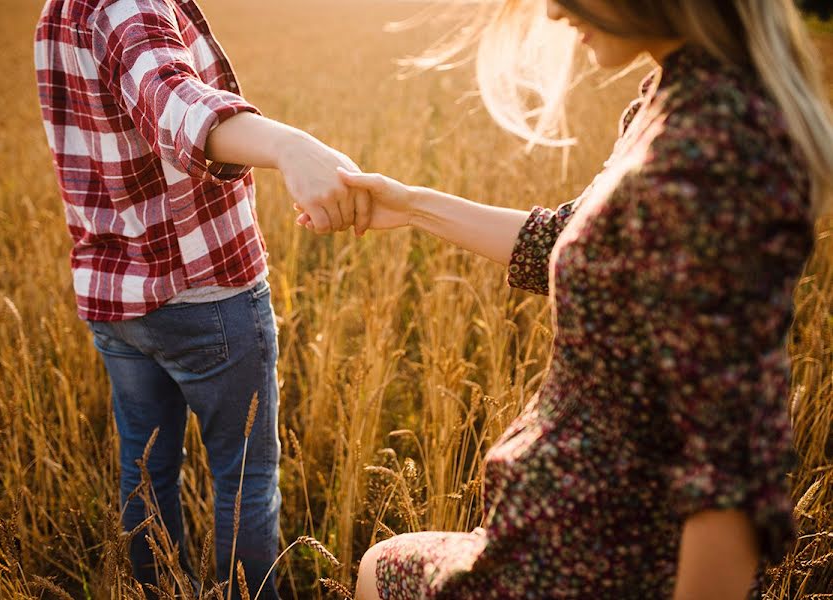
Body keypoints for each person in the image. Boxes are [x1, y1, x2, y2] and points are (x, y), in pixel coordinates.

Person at [298, 0, 833, 598]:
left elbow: (728, 476)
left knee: (383, 571)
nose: (552, 10)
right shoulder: (677, 97)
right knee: (384, 565)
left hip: (595, 565)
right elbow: (574, 239)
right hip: (566, 538)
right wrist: (414, 205)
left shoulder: (712, 156)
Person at [34, 0, 369, 597]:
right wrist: (289, 145)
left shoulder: (60, 10)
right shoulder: (128, 7)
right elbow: (173, 103)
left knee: (144, 471)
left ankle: (156, 592)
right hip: (206, 292)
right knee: (247, 478)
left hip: (116, 294)